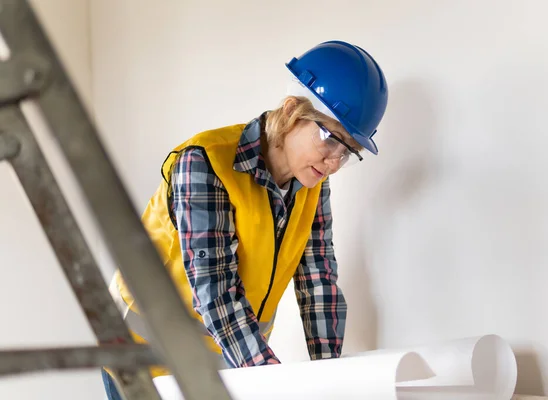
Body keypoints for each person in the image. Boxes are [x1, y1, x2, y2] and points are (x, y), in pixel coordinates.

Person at [101, 40, 388, 399]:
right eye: (330, 138)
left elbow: (318, 283)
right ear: (291, 110)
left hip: (228, 360)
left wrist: (329, 379)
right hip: (143, 353)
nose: (334, 161)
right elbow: (215, 292)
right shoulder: (205, 164)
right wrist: (272, 383)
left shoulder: (313, 182)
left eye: (348, 151)